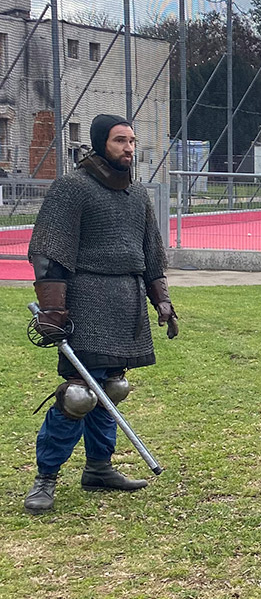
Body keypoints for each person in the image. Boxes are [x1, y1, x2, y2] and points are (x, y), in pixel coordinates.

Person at [24, 114, 178, 514]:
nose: (129, 148)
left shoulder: (137, 194)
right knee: (78, 395)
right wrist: (54, 311)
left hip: (125, 301)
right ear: (99, 143)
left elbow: (151, 253)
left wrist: (161, 299)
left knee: (112, 390)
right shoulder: (72, 188)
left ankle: (99, 468)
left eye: (131, 141)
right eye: (119, 141)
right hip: (86, 299)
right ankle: (45, 478)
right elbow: (49, 254)